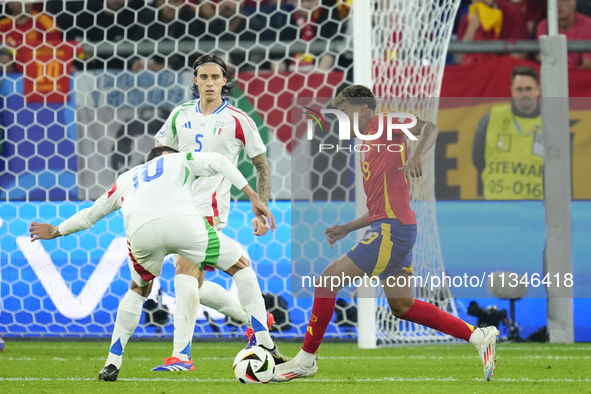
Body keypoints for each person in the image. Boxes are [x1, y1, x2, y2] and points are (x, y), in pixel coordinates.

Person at [273, 85, 499, 382]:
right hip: (394, 227)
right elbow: (378, 208)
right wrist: (346, 228)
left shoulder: (387, 122)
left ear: (362, 109)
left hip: (392, 230)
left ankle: (306, 361)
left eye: (343, 112)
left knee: (327, 281)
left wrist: (418, 155)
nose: (341, 119)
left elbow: (430, 127)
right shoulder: (367, 145)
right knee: (402, 306)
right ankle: (478, 336)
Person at [29, 146, 281, 382]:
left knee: (138, 290)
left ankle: (112, 362)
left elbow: (91, 215)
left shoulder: (127, 178)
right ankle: (264, 340)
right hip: (182, 224)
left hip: (140, 234)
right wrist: (253, 197)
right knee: (240, 266)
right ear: (165, 155)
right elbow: (219, 161)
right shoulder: (180, 158)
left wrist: (55, 230)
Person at [152, 53, 280, 371]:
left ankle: (181, 356)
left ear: (225, 81)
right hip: (175, 206)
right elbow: (158, 153)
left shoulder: (238, 119)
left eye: (215, 77)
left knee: (184, 272)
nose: (209, 82)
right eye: (203, 77)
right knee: (194, 282)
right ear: (195, 81)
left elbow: (261, 166)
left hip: (209, 208)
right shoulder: (180, 114)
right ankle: (256, 321)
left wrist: (261, 208)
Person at [472, 66, 542, 200]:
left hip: (537, 206)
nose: (524, 94)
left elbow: (560, 167)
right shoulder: (491, 119)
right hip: (497, 204)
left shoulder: (552, 124)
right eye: (519, 89)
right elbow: (478, 159)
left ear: (537, 90)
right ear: (512, 91)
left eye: (529, 89)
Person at [536, 0, 591, 69]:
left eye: (564, 1)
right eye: (555, 2)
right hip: (552, 72)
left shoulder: (588, 25)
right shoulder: (543, 26)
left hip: (577, 74)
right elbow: (541, 57)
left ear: (574, 3)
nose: (559, 5)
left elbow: (587, 64)